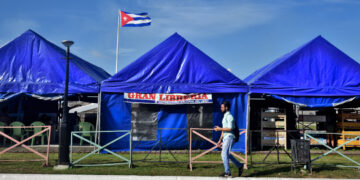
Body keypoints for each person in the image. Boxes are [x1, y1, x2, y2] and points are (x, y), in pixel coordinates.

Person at [214, 101, 244, 177]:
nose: (221, 108)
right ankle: (239, 165)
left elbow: (230, 128)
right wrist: (219, 140)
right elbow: (224, 130)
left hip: (230, 137)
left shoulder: (229, 116)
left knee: (224, 154)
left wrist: (220, 129)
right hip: (226, 137)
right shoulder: (224, 116)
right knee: (226, 154)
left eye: (222, 107)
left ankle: (227, 173)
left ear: (226, 108)